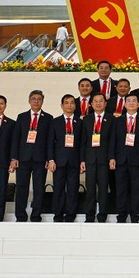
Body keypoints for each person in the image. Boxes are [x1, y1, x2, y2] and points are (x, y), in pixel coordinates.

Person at [10, 90, 53, 222]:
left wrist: (49, 158)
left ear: (42, 101)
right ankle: (21, 216)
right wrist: (14, 158)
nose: (36, 101)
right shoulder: (21, 117)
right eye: (33, 99)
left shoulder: (48, 118)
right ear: (29, 101)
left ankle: (36, 216)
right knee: (21, 188)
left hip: (40, 159)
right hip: (23, 158)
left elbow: (50, 141)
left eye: (39, 99)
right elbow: (16, 139)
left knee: (39, 188)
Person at [109, 94, 139, 223]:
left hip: (137, 161)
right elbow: (112, 141)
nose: (131, 103)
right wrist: (111, 158)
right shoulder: (117, 121)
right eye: (129, 101)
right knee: (120, 189)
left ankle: (134, 215)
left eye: (134, 101)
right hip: (120, 160)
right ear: (124, 104)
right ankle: (121, 215)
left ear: (138, 104)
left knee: (136, 189)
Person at [46, 95, 82, 223]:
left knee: (73, 189)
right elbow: (50, 142)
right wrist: (51, 160)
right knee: (59, 189)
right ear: (61, 105)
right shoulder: (55, 122)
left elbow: (82, 143)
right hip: (58, 161)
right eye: (66, 103)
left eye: (72, 103)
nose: (69, 105)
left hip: (74, 161)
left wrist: (82, 161)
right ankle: (58, 214)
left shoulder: (80, 122)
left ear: (75, 106)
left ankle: (71, 214)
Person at [79, 93, 114, 222]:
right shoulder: (86, 119)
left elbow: (113, 141)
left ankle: (102, 215)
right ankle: (89, 215)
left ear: (105, 104)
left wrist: (111, 158)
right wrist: (82, 160)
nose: (98, 103)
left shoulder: (111, 119)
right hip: (90, 159)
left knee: (104, 189)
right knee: (90, 188)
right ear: (91, 104)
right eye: (95, 101)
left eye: (101, 101)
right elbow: (83, 141)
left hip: (105, 159)